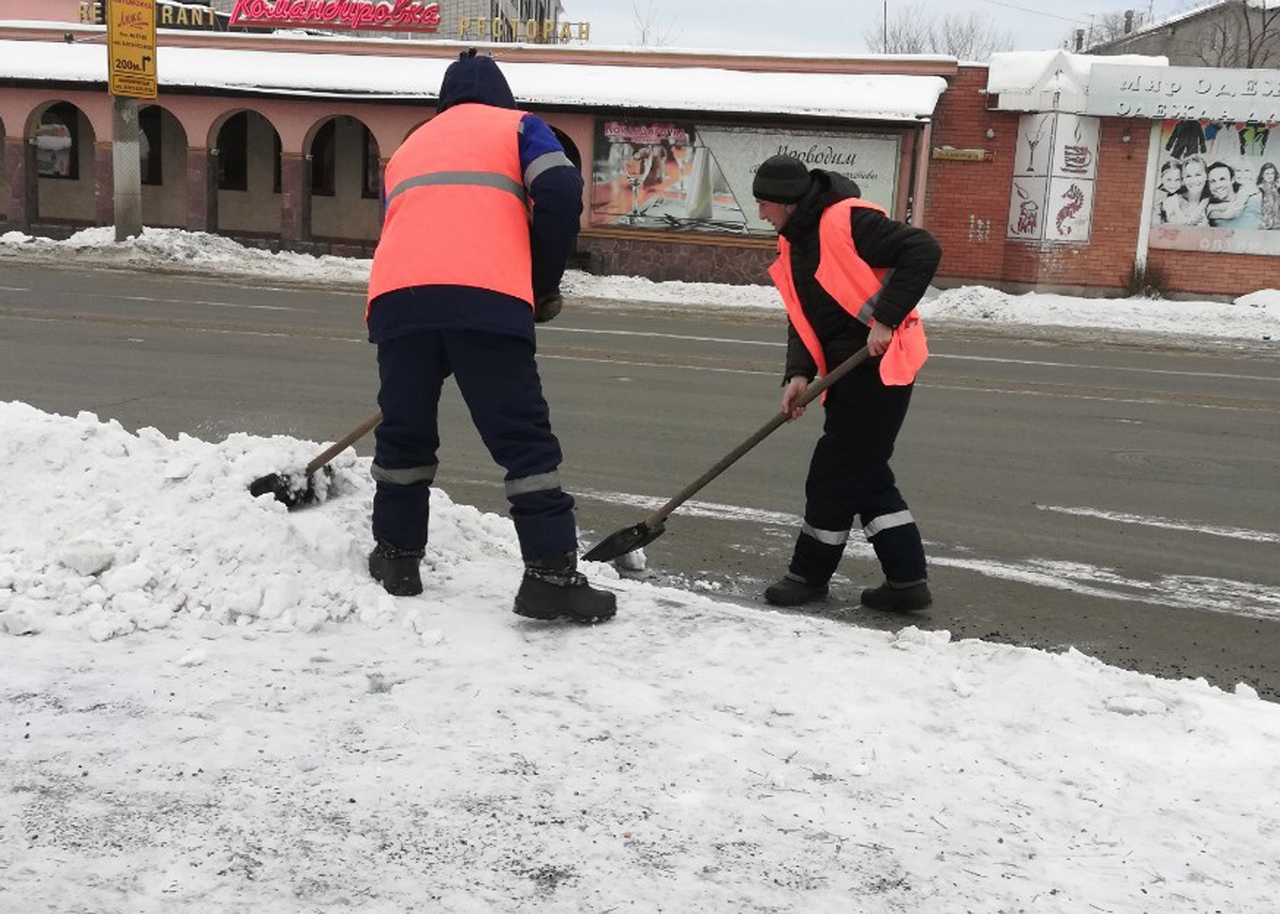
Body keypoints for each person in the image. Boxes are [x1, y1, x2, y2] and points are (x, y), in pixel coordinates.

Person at [363, 50, 616, 624]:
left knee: (404, 434)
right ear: (501, 94)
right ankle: (550, 576)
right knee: (522, 440)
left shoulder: (409, 145)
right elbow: (560, 192)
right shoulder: (521, 126)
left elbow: (399, 222)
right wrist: (541, 281)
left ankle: (397, 558)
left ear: (444, 100)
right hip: (485, 298)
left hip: (400, 302)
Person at [751, 154, 940, 612]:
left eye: (765, 204)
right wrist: (799, 374)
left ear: (788, 202)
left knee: (833, 475)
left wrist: (885, 318)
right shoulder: (794, 242)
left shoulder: (846, 221)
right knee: (866, 476)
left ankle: (809, 575)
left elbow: (923, 249)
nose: (761, 214)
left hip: (880, 364)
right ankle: (906, 581)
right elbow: (803, 316)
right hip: (845, 371)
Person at [1206, 161, 1263, 229]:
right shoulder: (1207, 209)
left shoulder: (1253, 198)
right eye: (1212, 181)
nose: (1218, 185)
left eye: (1222, 179)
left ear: (1232, 180)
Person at [1256, 161, 1280, 230]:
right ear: (1262, 175)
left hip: (1277, 225)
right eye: (1267, 173)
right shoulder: (1259, 189)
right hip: (1263, 225)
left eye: (1272, 173)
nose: (1270, 176)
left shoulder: (1277, 189)